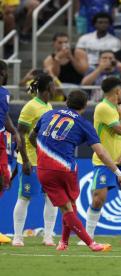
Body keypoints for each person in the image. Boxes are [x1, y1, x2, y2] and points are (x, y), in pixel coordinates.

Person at [29, 90, 121, 252]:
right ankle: (92, 244)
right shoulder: (83, 123)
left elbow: (31, 137)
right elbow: (101, 153)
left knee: (68, 207)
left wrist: (42, 151)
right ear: (84, 106)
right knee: (69, 208)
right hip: (65, 169)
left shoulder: (48, 114)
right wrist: (118, 173)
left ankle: (63, 243)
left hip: (43, 169)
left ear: (67, 101)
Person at [80, 77, 121, 246]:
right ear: (117, 91)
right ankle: (88, 237)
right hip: (104, 162)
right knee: (99, 198)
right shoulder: (104, 108)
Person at [12, 74, 58, 247]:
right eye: (53, 86)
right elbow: (20, 134)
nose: (56, 89)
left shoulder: (49, 106)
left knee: (51, 198)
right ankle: (18, 236)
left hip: (47, 161)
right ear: (47, 88)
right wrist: (24, 160)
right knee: (25, 197)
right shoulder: (30, 107)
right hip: (31, 160)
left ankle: (48, 236)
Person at [0, 60, 21, 245]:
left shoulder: (5, 94)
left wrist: (14, 132)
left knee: (4, 178)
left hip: (0, 138)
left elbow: (4, 115)